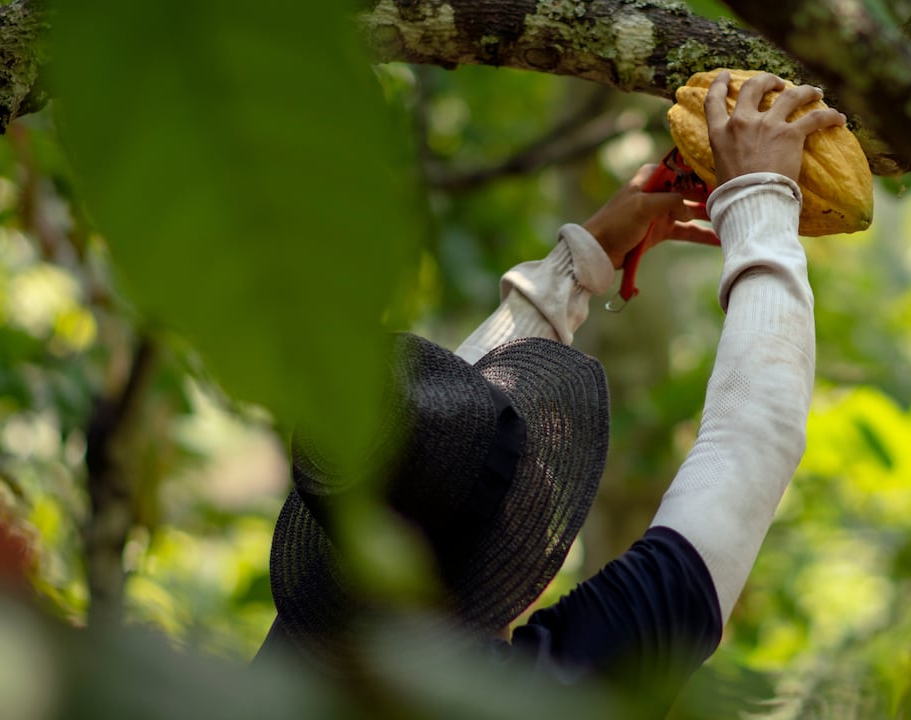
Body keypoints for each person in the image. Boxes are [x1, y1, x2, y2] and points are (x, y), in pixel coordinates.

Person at [254, 71, 845, 714]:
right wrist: (759, 197)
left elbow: (431, 431)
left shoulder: (304, 649)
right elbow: (752, 442)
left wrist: (579, 263)